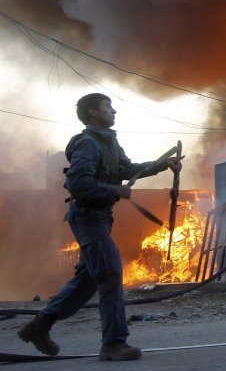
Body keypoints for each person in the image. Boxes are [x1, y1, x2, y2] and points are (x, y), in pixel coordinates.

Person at [17, 93, 182, 361]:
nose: (114, 111)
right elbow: (77, 183)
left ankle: (40, 326)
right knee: (110, 273)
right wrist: (115, 190)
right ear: (93, 112)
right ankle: (114, 343)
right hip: (87, 217)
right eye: (108, 106)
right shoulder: (88, 144)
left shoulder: (110, 142)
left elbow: (128, 168)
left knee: (90, 278)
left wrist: (163, 165)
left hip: (101, 218)